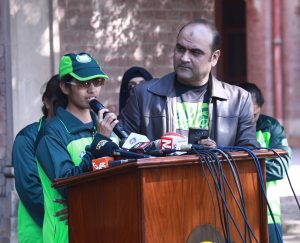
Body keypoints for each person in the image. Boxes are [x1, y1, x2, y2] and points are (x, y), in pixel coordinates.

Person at [120, 18, 258, 148]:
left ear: (214, 57)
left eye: (195, 52)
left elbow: (249, 155)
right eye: (180, 49)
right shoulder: (142, 95)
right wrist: (157, 146)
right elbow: (122, 144)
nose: (184, 58)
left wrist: (217, 153)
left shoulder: (239, 100)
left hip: (216, 174)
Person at [35, 52, 118, 242]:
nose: (92, 89)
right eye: (83, 83)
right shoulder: (52, 133)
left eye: (97, 82)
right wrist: (99, 143)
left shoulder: (107, 128)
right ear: (65, 87)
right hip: (67, 234)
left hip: (106, 228)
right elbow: (68, 186)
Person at [238, 82, 291, 243]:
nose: (249, 121)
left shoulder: (271, 127)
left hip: (268, 211)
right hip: (234, 209)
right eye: (244, 116)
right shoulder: (225, 128)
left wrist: (241, 170)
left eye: (254, 115)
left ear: (260, 107)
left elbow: (280, 168)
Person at [12, 74, 63, 243]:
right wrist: (71, 214)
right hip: (38, 232)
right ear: (46, 101)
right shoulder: (27, 137)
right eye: (58, 104)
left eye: (66, 104)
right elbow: (30, 189)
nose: (62, 110)